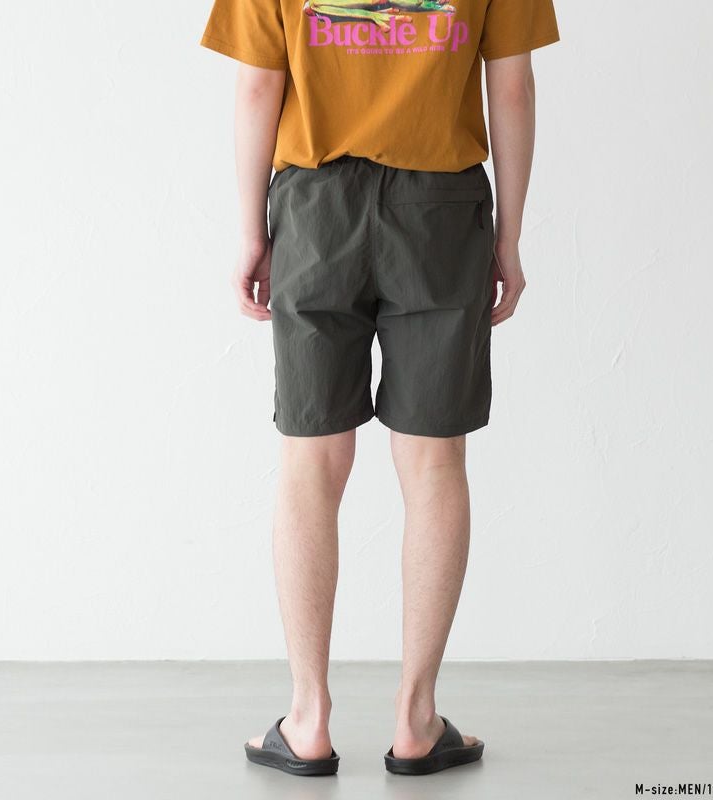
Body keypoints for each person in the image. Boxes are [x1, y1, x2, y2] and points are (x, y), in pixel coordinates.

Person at [200, 0, 559, 777]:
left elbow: (258, 86)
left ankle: (307, 719)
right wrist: (509, 238)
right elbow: (513, 87)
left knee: (311, 460)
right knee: (433, 463)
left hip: (315, 209)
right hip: (441, 212)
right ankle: (417, 719)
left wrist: (252, 232)